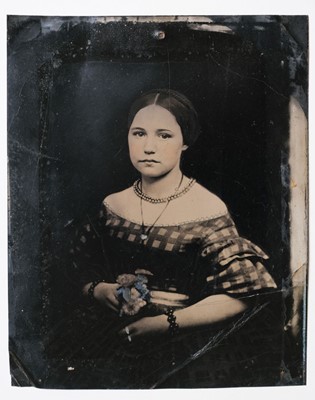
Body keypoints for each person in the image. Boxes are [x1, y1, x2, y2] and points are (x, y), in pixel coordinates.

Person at [58, 89, 281, 389]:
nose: (148, 147)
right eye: (139, 133)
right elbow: (69, 266)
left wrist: (165, 323)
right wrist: (98, 290)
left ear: (185, 141)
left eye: (164, 136)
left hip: (181, 344)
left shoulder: (207, 209)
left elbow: (244, 294)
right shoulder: (112, 204)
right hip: (108, 336)